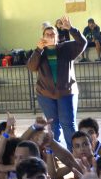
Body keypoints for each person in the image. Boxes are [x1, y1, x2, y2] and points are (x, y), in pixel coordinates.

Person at [27, 16, 86, 150]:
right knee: (53, 126)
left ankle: (74, 152)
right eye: (47, 34)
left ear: (57, 37)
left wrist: (71, 29)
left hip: (66, 93)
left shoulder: (66, 48)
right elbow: (31, 66)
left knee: (68, 124)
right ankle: (55, 153)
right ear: (43, 37)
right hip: (45, 95)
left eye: (53, 34)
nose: (50, 36)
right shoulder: (39, 52)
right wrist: (38, 50)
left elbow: (82, 43)